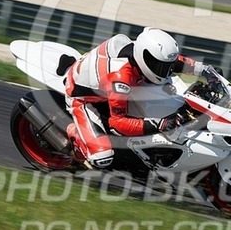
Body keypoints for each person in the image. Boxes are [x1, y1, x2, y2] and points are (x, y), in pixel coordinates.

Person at [64, 27, 205, 168]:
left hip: (112, 82)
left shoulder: (141, 53)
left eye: (167, 67)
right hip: (82, 99)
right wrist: (158, 124)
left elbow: (173, 61)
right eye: (160, 67)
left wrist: (203, 69)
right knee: (102, 157)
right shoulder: (120, 80)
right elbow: (117, 122)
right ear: (146, 59)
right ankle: (75, 134)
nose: (166, 71)